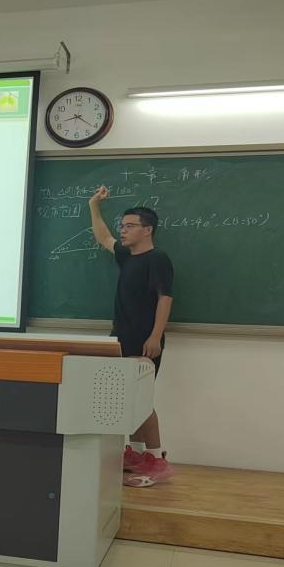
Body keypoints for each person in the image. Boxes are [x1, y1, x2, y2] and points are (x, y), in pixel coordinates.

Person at [89, 185, 175, 487]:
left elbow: (165, 298)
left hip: (144, 340)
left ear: (147, 230)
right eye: (122, 226)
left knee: (142, 399)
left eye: (129, 226)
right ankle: (137, 453)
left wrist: (155, 336)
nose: (122, 230)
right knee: (127, 399)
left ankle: (157, 459)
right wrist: (93, 206)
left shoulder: (157, 259)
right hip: (121, 338)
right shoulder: (127, 257)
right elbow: (103, 237)